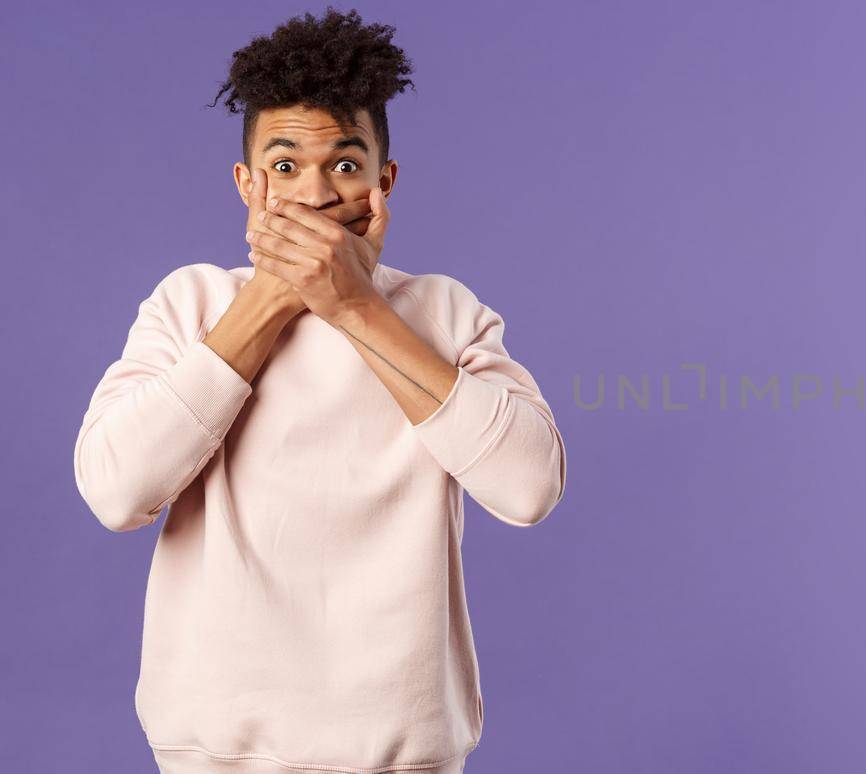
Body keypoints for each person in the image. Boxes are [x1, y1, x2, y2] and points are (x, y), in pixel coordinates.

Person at [71, 8, 567, 773]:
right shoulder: (190, 304)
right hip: (211, 752)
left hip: (404, 755)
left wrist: (355, 307)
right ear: (246, 185)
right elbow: (116, 491)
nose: (314, 193)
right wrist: (271, 299)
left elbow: (529, 486)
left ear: (383, 180)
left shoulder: (444, 312)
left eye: (343, 163)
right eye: (283, 165)